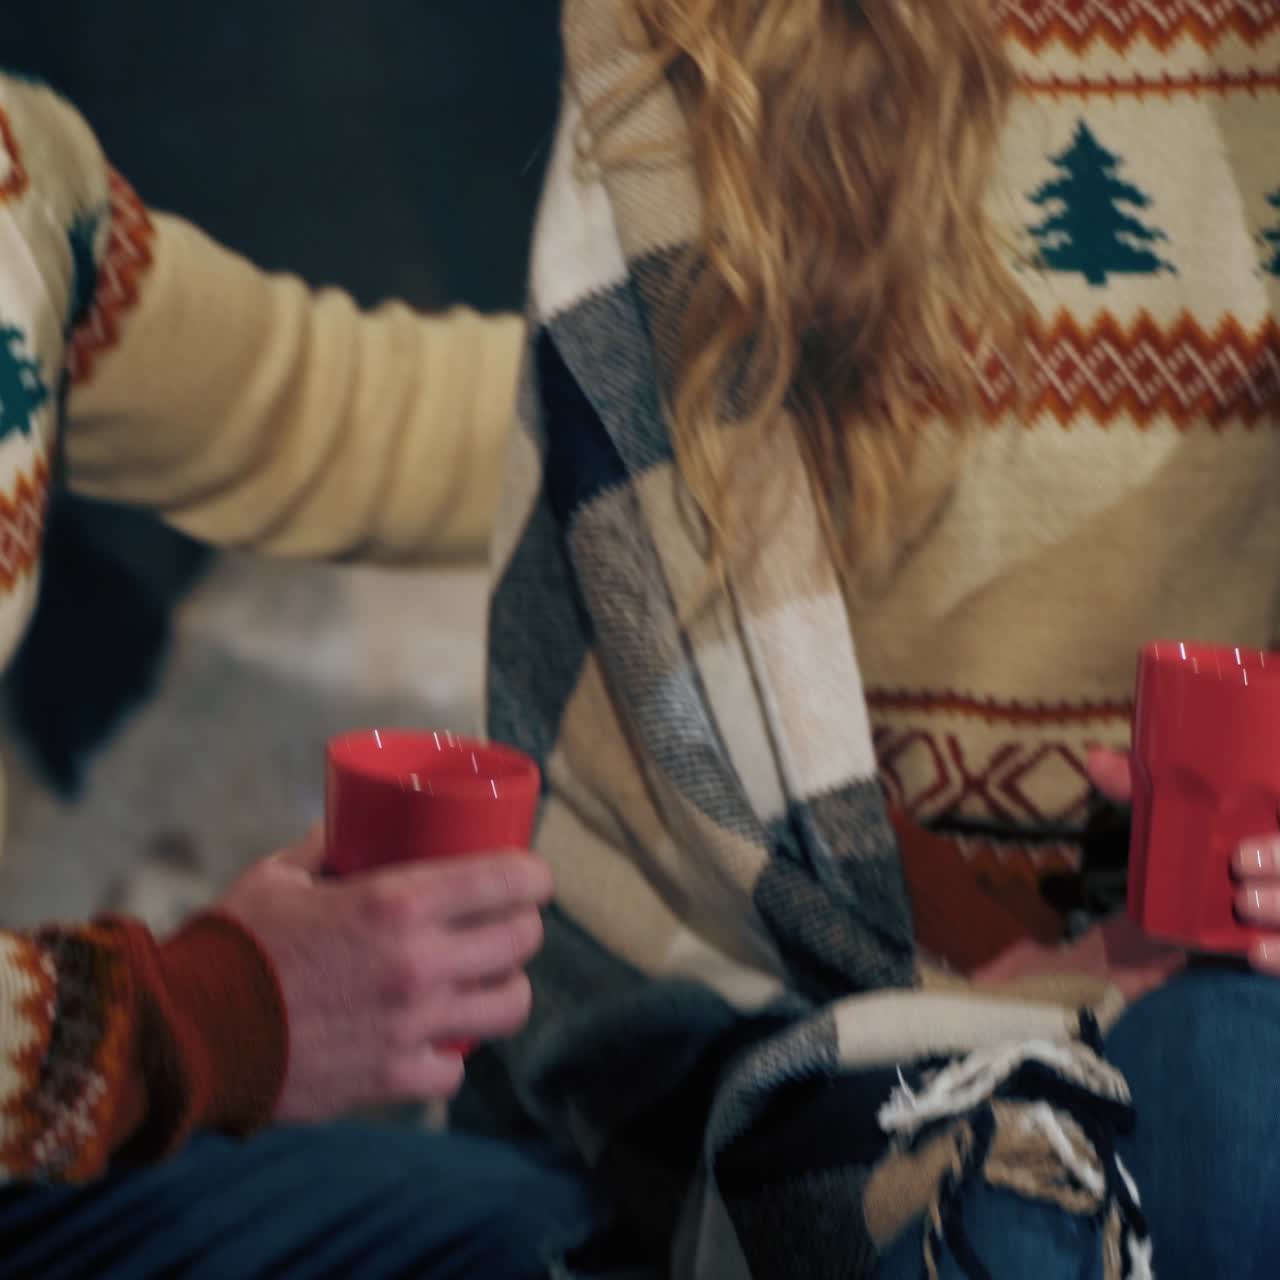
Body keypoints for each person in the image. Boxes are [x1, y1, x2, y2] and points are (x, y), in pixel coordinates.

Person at [473, 1, 1280, 1277]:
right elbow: (650, 602)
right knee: (1005, 1212)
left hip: (1224, 961)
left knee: (1229, 1100)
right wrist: (1009, 968)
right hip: (811, 968)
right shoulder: (712, 35)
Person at [0, 73, 599, 1277]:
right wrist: (203, 1016)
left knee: (552, 1236)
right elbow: (201, 1023)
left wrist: (699, 399)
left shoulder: (20, 177)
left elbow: (309, 407)